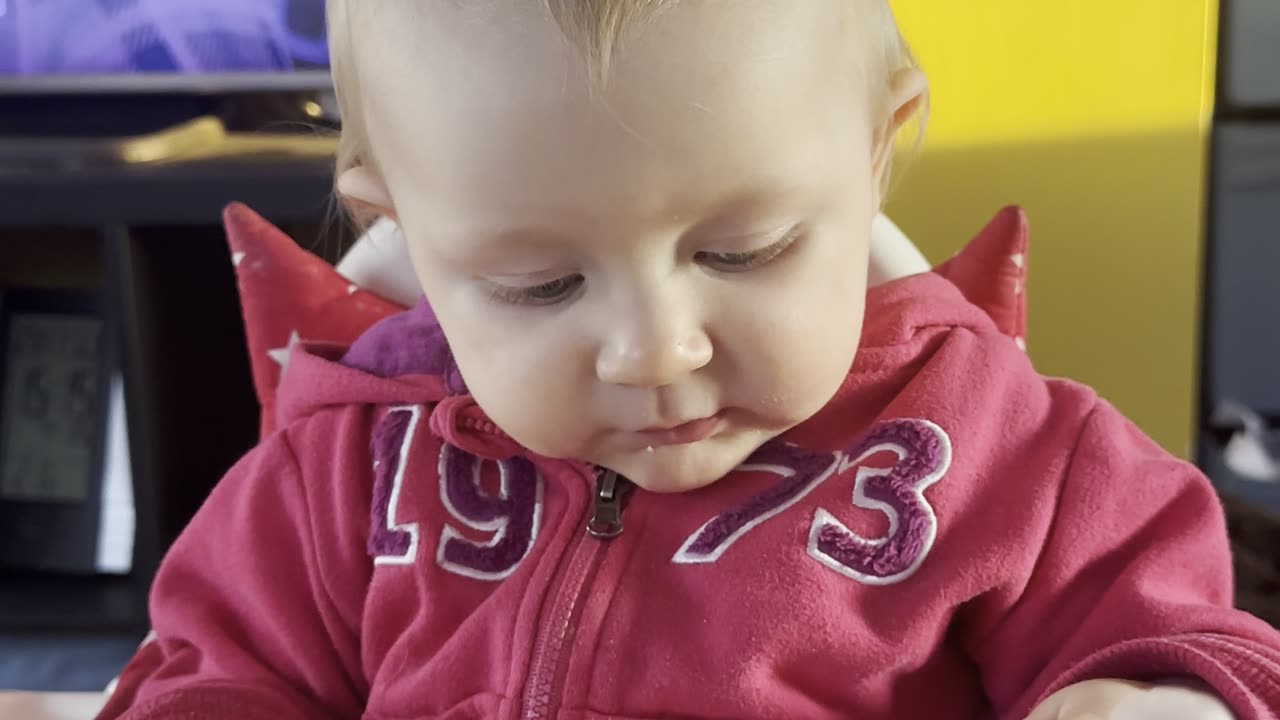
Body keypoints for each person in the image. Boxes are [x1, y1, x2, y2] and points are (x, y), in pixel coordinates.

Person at [99, 2, 1280, 719]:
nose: (655, 348)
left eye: (741, 249)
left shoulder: (996, 449)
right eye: (538, 285)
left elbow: (1171, 628)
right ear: (401, 219)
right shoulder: (345, 463)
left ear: (871, 157)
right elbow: (216, 671)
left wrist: (1149, 695)